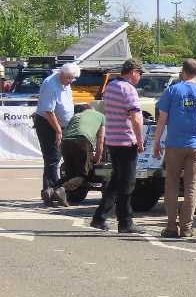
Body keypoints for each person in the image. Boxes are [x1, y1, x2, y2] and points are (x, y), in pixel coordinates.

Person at [153, 58, 196, 239]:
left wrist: (157, 142)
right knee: (191, 186)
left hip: (174, 145)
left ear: (183, 72)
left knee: (172, 184)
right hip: (195, 145)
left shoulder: (172, 91)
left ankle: (171, 227)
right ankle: (187, 227)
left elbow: (162, 119)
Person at [90, 60, 144, 234]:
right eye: (140, 73)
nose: (140, 77)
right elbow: (135, 117)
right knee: (127, 183)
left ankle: (100, 217)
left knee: (116, 181)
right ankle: (125, 221)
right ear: (133, 71)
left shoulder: (111, 86)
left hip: (113, 139)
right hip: (127, 140)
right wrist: (140, 140)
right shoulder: (128, 89)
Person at [34, 62, 80, 206]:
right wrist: (58, 130)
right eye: (69, 78)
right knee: (53, 158)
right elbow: (48, 111)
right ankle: (57, 190)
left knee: (52, 159)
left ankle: (48, 192)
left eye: (73, 79)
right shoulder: (51, 84)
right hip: (49, 124)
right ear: (62, 74)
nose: (71, 82)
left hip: (58, 123)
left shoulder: (65, 82)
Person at [59, 105, 105, 202]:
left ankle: (50, 190)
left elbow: (65, 132)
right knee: (83, 175)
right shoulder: (101, 116)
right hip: (82, 141)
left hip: (65, 142)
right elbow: (100, 140)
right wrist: (97, 158)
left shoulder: (76, 116)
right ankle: (60, 189)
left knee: (70, 174)